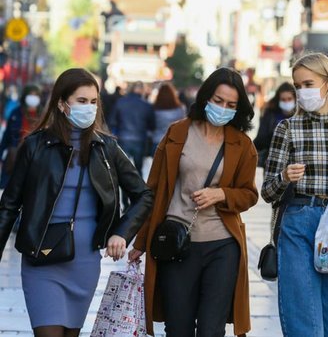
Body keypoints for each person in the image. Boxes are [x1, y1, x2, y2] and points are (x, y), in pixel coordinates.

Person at [0, 68, 153, 337]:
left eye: (94, 102)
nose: (90, 108)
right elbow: (9, 205)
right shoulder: (35, 146)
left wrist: (121, 231)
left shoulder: (106, 148)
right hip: (41, 260)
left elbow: (143, 194)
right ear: (62, 103)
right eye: (82, 101)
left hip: (84, 262)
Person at [129, 67, 259, 337]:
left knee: (212, 330)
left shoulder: (242, 145)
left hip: (222, 245)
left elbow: (249, 194)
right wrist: (140, 241)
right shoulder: (178, 133)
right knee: (178, 328)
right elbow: (152, 190)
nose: (223, 108)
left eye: (231, 105)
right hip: (177, 243)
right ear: (205, 98)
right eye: (218, 100)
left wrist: (222, 194)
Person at [261, 52, 328, 337]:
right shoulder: (287, 128)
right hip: (298, 224)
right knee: (303, 320)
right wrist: (284, 177)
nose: (302, 92)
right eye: (297, 86)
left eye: (308, 83)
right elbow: (267, 192)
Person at [0, 84, 43, 189]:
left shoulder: (43, 115)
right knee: (9, 187)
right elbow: (7, 136)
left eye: (36, 95)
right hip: (15, 156)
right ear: (25, 96)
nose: (33, 98)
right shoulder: (16, 113)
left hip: (36, 157)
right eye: (30, 95)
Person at [253, 82, 296, 169]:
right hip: (273, 163)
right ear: (278, 100)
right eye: (283, 99)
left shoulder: (299, 116)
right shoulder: (270, 114)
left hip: (295, 164)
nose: (286, 102)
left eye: (289, 99)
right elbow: (260, 139)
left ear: (295, 99)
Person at [151, 81, 186, 155]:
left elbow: (151, 125)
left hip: (157, 140)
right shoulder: (181, 109)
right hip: (175, 141)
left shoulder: (154, 109)